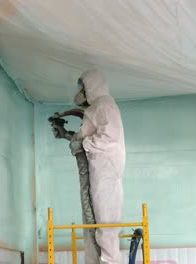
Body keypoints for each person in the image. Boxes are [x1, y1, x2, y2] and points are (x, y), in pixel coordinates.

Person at [55, 69, 125, 263]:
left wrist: (83, 144)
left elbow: (108, 137)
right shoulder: (95, 108)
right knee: (93, 221)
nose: (80, 92)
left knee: (105, 220)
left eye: (83, 88)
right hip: (96, 168)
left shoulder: (105, 105)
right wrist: (66, 135)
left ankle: (110, 261)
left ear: (91, 87)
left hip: (106, 170)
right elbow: (85, 137)